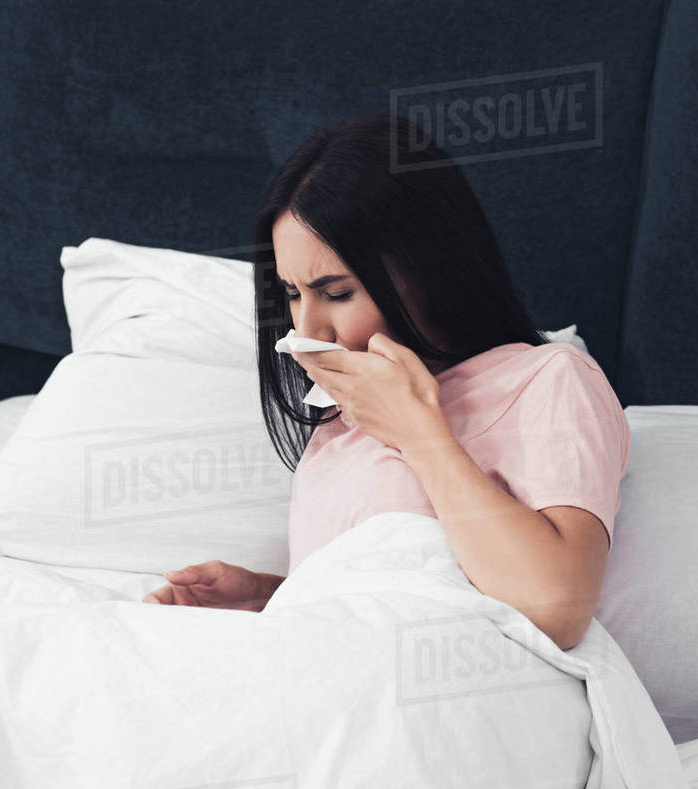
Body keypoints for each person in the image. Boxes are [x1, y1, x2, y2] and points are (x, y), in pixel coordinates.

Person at [143, 113, 630, 651]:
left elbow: (555, 611)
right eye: (292, 293)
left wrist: (419, 434)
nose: (307, 329)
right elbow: (388, 602)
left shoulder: (547, 379)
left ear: (429, 268)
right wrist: (269, 598)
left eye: (336, 292)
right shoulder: (337, 432)